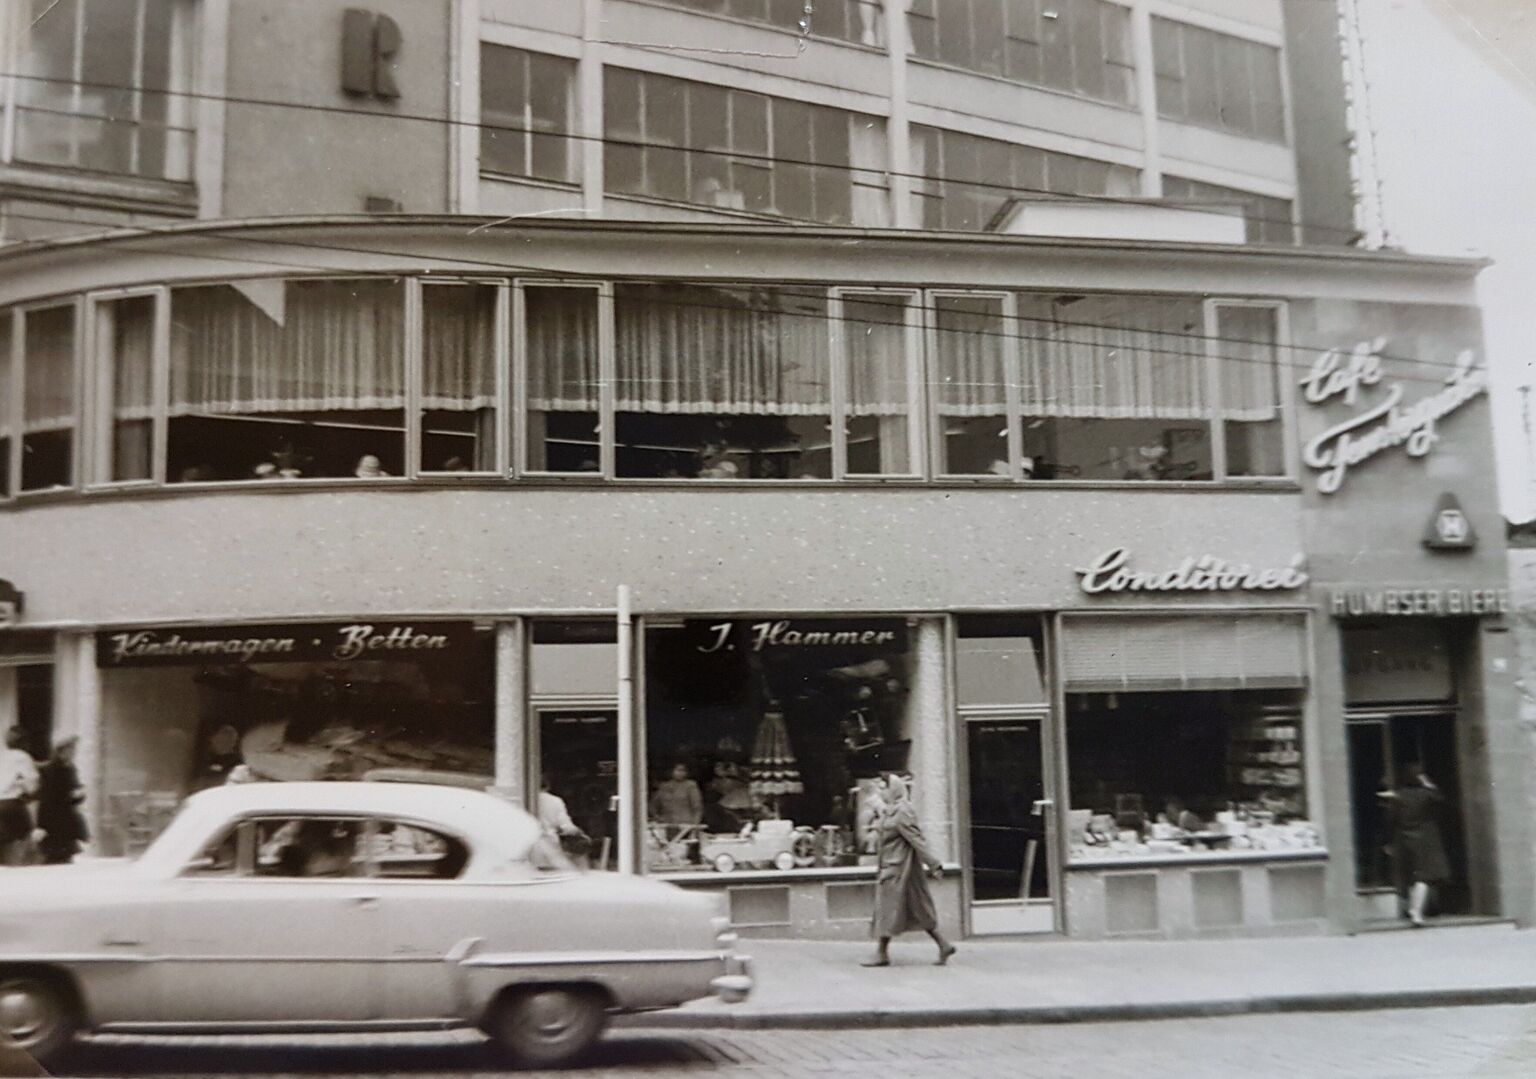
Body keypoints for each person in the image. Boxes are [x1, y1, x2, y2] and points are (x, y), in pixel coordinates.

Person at [863, 773, 955, 967]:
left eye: (884, 789)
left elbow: (916, 839)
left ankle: (881, 953)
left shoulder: (903, 811)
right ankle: (943, 944)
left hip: (898, 870)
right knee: (916, 909)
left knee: (886, 909)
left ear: (894, 790)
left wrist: (934, 864)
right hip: (894, 868)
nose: (882, 792)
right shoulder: (891, 810)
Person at [1380, 763, 1450, 927]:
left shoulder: (1399, 796)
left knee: (1409, 876)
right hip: (1424, 840)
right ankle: (1416, 911)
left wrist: (1387, 841)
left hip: (1403, 839)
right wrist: (1428, 784)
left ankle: (1409, 907)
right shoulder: (1426, 794)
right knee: (1423, 877)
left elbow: (1390, 820)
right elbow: (1440, 799)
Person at [36, 737, 88, 865]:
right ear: (61, 751)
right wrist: (42, 824)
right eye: (70, 750)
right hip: (54, 819)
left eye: (74, 750)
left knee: (64, 856)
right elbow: (47, 797)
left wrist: (79, 795)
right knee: (55, 856)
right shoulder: (52, 769)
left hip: (66, 819)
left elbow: (74, 791)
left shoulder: (70, 768)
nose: (73, 754)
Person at [0, 727, 40, 867]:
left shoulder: (2, 756)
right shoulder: (22, 757)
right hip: (12, 805)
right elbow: (32, 784)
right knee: (20, 843)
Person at [650, 762, 704, 864]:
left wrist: (695, 827)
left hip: (686, 826)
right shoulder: (664, 787)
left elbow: (697, 808)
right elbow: (653, 805)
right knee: (666, 853)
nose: (680, 773)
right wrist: (658, 818)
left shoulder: (690, 786)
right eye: (677, 770)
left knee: (684, 853)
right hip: (667, 826)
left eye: (683, 770)